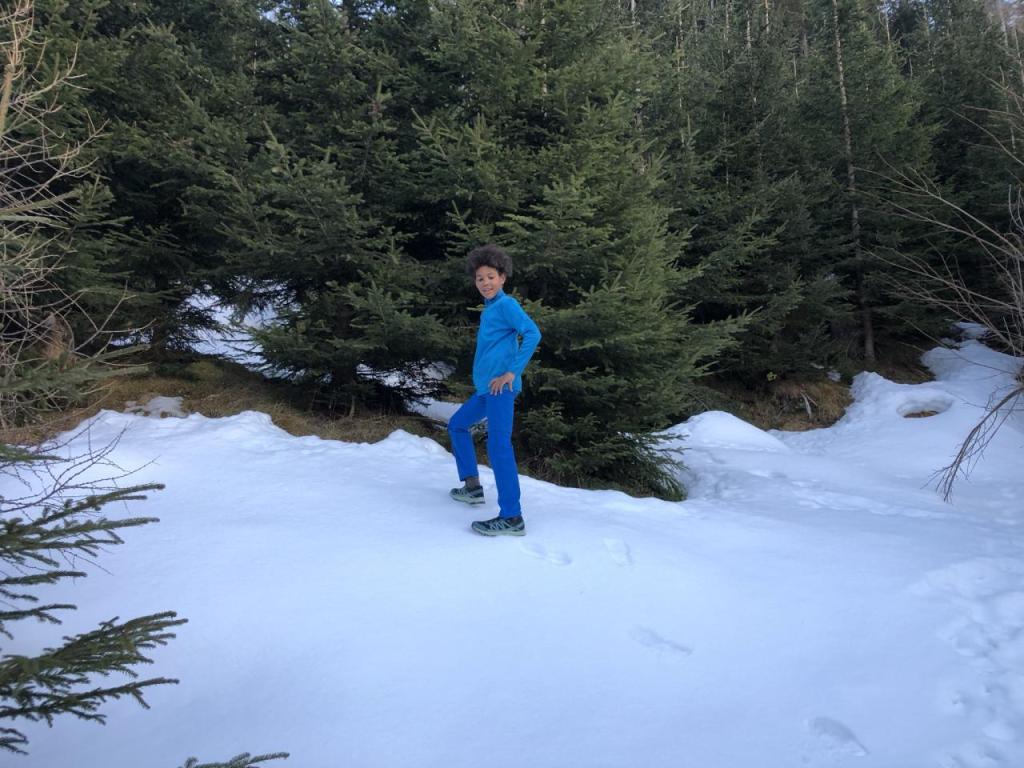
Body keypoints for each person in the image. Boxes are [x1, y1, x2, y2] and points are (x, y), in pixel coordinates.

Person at [448, 244, 541, 536]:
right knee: (457, 425)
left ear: (502, 278)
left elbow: (533, 333)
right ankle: (472, 486)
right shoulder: (490, 309)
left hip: (502, 388)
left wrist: (512, 372)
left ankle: (512, 517)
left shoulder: (506, 305)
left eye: (491, 277)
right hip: (486, 390)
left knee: (498, 445)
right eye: (480, 278)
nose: (485, 283)